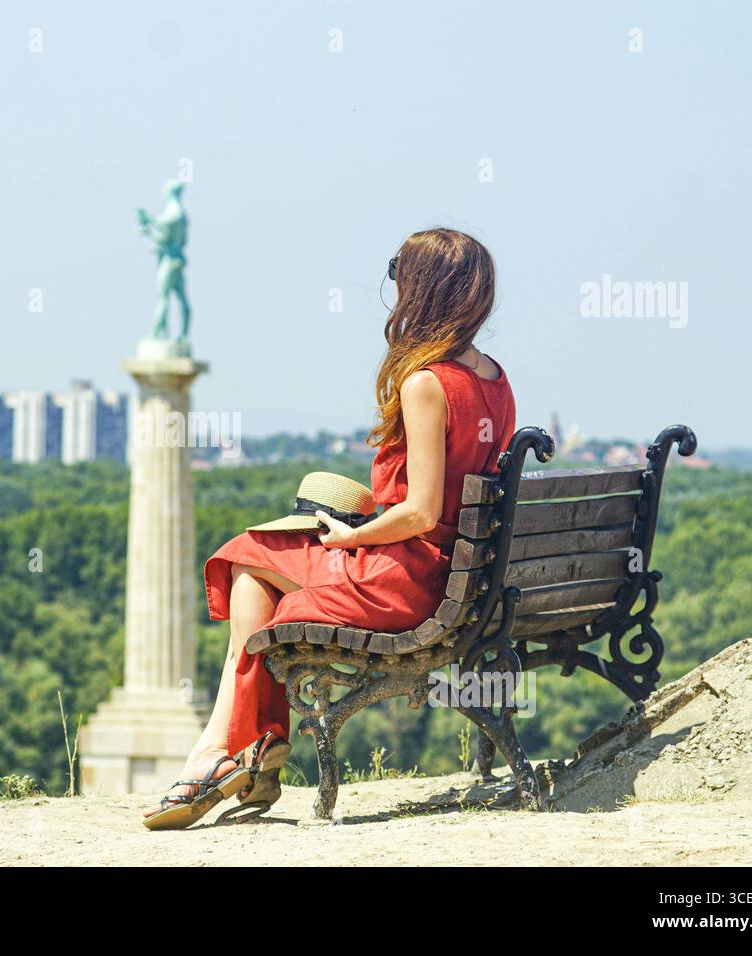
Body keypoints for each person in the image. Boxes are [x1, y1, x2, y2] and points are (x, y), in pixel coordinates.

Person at [144, 228, 516, 830]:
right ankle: (229, 748)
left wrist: (348, 537)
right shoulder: (495, 378)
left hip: (408, 579)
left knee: (247, 564)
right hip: (458, 573)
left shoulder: (427, 383)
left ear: (422, 289)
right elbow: (450, 490)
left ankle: (233, 750)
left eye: (400, 274)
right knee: (253, 565)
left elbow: (421, 511)